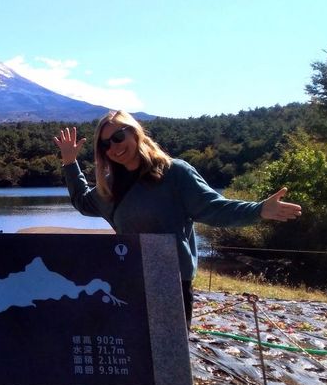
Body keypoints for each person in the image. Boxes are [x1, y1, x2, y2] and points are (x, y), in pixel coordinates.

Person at [54, 109, 302, 325]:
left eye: (118, 137)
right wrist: (70, 162)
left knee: (170, 355)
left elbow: (214, 208)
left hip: (172, 280)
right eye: (105, 145)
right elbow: (83, 202)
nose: (114, 147)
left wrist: (258, 210)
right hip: (129, 277)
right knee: (138, 353)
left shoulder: (174, 173)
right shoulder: (110, 186)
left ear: (135, 133)